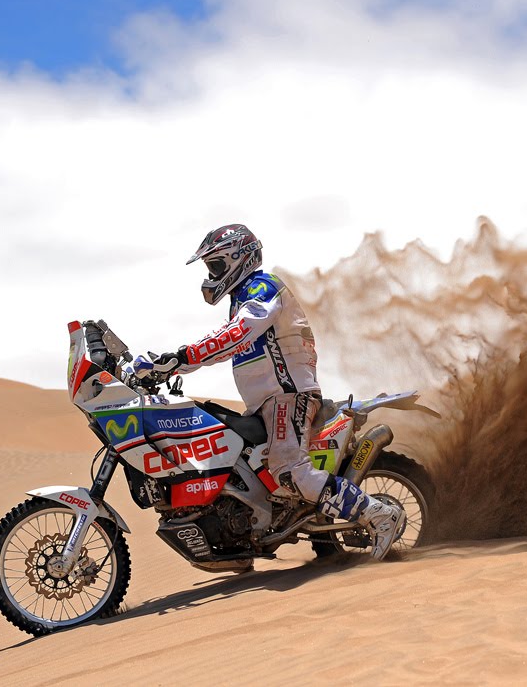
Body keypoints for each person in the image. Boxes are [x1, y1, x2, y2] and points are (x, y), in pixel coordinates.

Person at [156, 224, 405, 560]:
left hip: (288, 396)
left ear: (239, 259)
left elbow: (235, 335)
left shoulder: (263, 287)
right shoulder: (240, 300)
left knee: (289, 470)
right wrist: (172, 365)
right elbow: (224, 343)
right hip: (266, 404)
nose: (211, 275)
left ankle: (379, 514)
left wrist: (180, 358)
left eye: (215, 265)